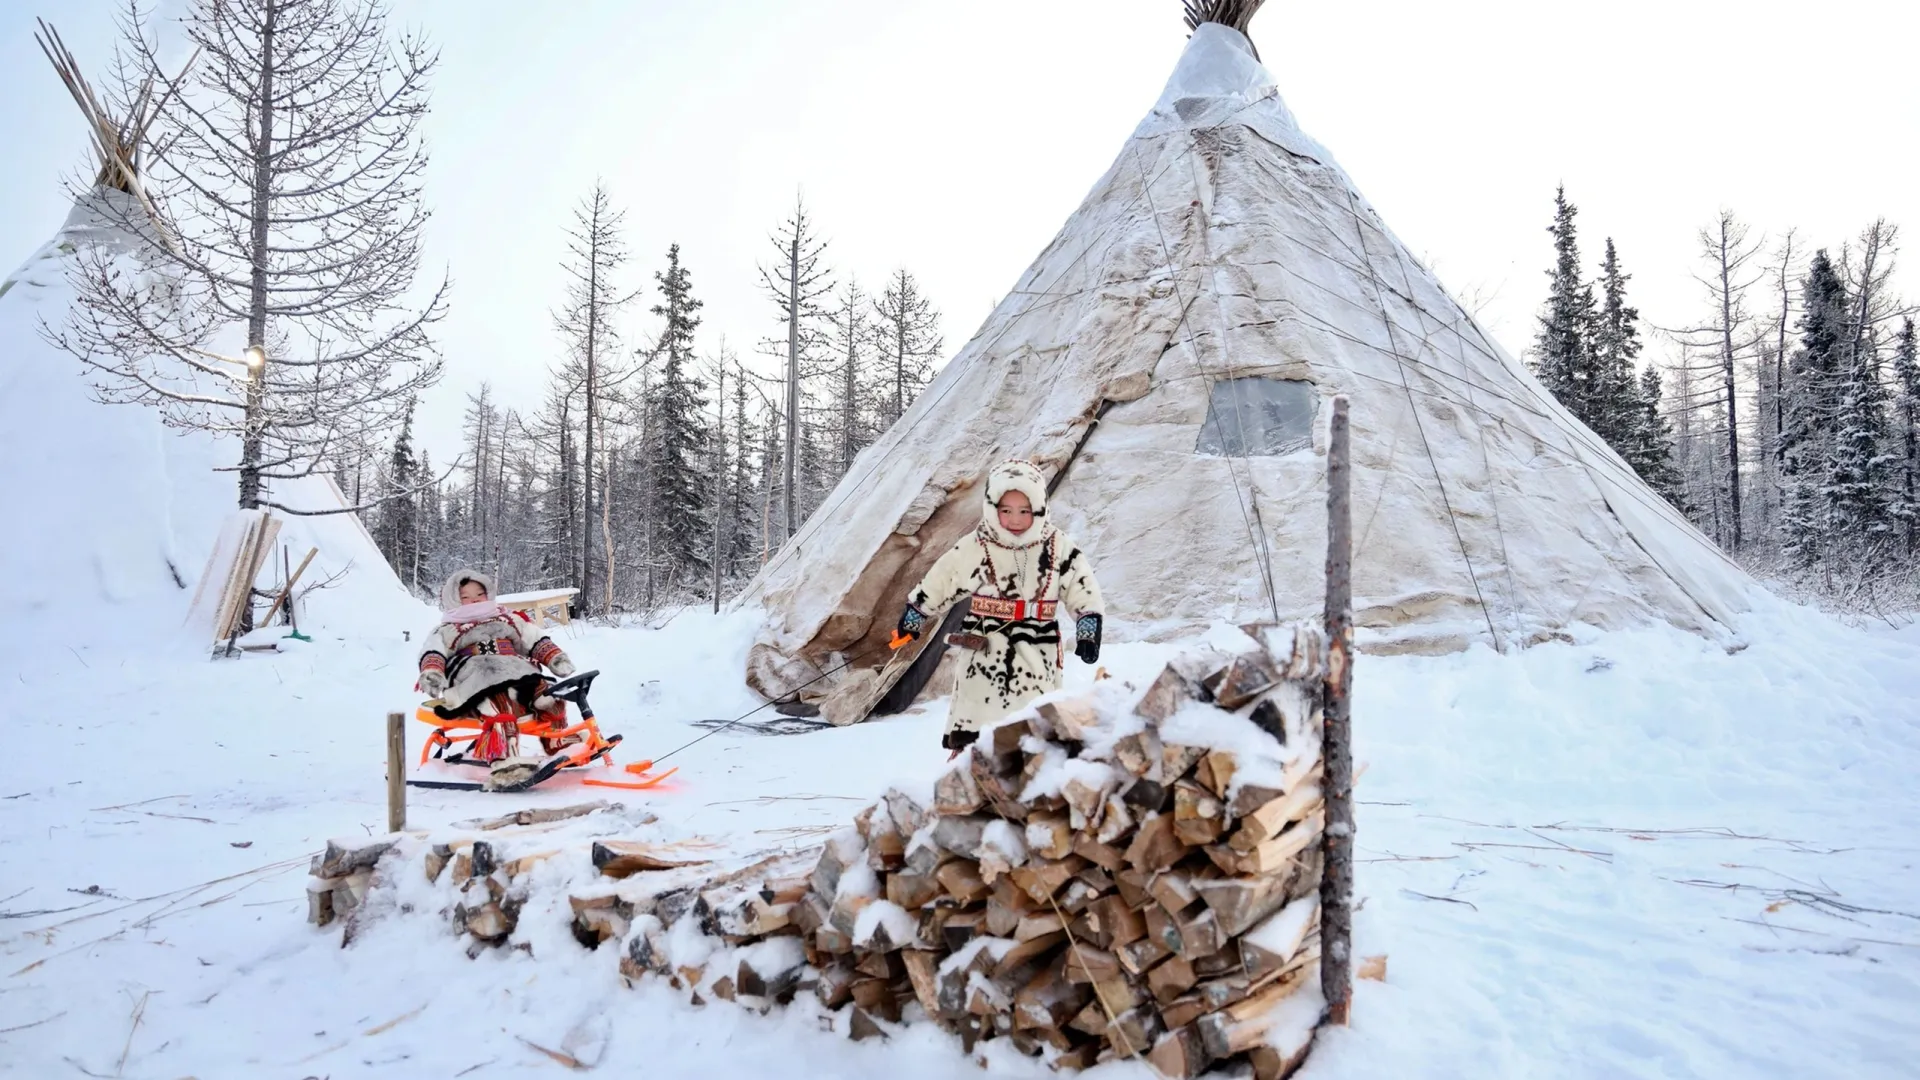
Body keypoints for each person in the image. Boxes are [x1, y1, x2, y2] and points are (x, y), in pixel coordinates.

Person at [895, 460, 1105, 758]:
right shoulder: (977, 545)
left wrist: (1088, 626)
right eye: (1006, 511)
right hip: (985, 646)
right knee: (977, 718)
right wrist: (917, 611)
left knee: (1034, 718)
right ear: (992, 508)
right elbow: (945, 577)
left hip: (1037, 647)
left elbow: (1080, 584)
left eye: (1024, 511)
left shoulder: (1057, 546)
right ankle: (967, 771)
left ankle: (1031, 772)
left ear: (1039, 508)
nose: (1015, 520)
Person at [416, 569, 577, 763]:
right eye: (465, 596)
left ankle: (557, 742)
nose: (474, 600)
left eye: (479, 594)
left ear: (488, 593)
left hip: (517, 671)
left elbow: (532, 637)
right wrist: (433, 672)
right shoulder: (447, 629)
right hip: (475, 677)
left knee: (548, 693)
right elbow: (434, 650)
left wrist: (554, 657)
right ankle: (504, 759)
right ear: (454, 600)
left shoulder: (507, 618)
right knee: (500, 702)